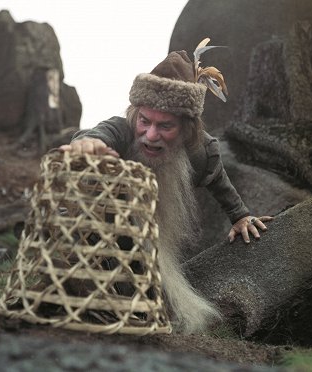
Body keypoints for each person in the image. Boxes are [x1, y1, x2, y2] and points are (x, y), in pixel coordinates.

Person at [59, 41, 272, 333]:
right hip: (101, 229)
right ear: (136, 114)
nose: (150, 135)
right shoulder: (121, 130)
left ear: (187, 129)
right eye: (144, 121)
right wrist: (88, 143)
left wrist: (240, 216)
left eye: (165, 126)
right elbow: (98, 134)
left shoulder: (202, 152)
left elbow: (220, 182)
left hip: (152, 237)